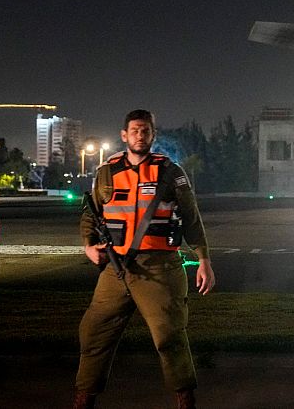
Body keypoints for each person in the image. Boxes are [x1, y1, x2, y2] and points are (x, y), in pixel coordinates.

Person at [73, 109, 215, 409]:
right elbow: (91, 214)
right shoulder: (107, 172)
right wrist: (89, 245)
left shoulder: (170, 172)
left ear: (153, 135)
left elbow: (191, 218)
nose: (141, 134)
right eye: (135, 129)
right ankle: (83, 400)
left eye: (146, 130)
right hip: (116, 268)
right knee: (93, 334)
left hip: (160, 266)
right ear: (124, 135)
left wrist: (203, 260)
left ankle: (185, 400)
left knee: (169, 336)